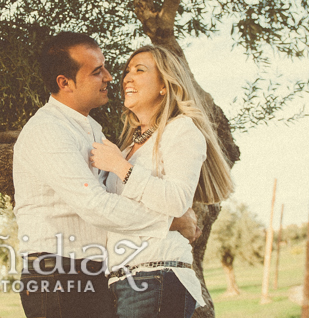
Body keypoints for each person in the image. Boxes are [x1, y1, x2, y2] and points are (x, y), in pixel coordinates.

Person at [13, 32, 196, 318]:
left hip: (94, 273)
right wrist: (169, 220)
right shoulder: (48, 131)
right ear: (65, 83)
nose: (110, 77)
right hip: (59, 276)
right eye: (97, 71)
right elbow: (95, 205)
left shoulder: (92, 130)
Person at [90, 45, 234, 318]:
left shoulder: (180, 130)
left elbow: (177, 199)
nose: (127, 78)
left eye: (139, 70)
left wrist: (121, 168)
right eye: (127, 71)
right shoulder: (125, 149)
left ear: (164, 86)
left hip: (156, 275)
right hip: (123, 280)